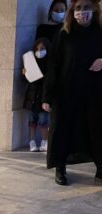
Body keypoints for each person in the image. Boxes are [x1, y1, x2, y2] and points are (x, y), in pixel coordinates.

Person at [42, 0, 102, 185]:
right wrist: (47, 96)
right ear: (72, 12)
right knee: (62, 130)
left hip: (94, 93)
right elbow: (53, 66)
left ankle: (101, 168)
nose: (82, 13)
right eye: (78, 8)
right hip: (66, 92)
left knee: (97, 130)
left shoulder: (100, 32)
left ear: (94, 10)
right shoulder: (63, 34)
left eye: (86, 8)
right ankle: (60, 168)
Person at [23, 38, 52, 152]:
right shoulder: (31, 62)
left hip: (44, 98)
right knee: (32, 120)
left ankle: (44, 141)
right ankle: (32, 141)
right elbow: (28, 81)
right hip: (32, 97)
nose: (39, 51)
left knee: (43, 121)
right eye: (37, 49)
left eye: (42, 49)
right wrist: (24, 74)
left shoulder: (50, 64)